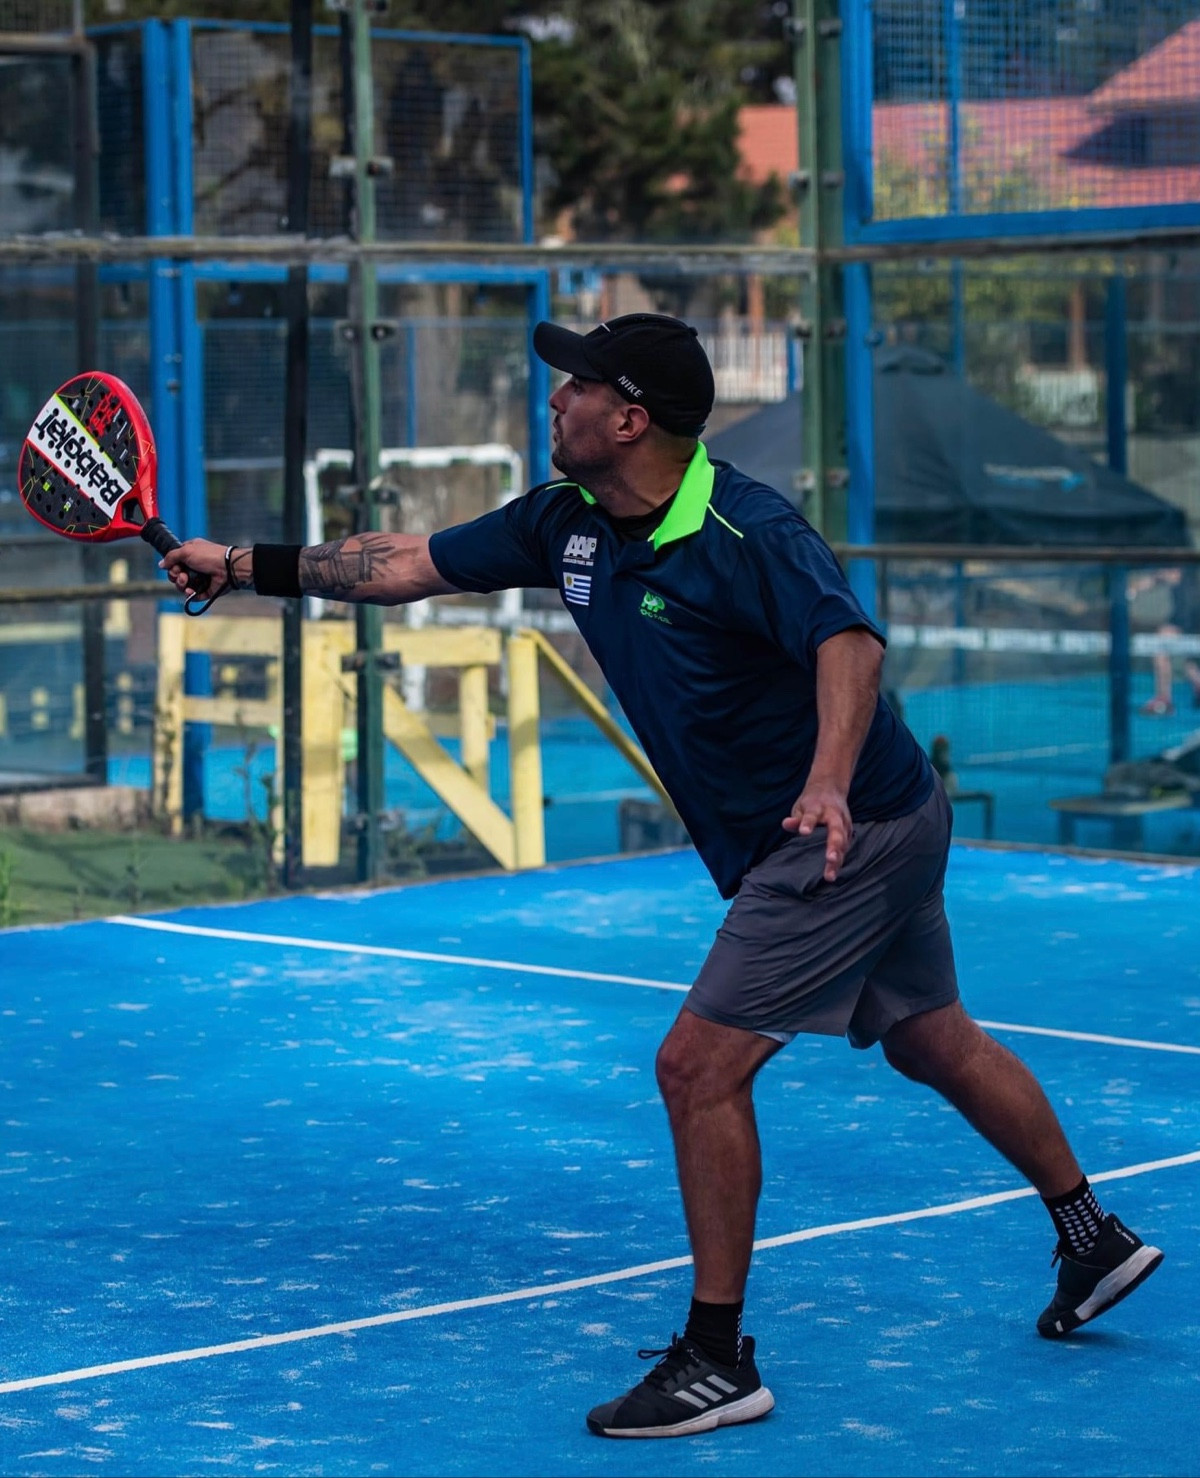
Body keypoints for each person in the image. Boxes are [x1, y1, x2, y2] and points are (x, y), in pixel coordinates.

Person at [163, 313, 1164, 1440]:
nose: (554, 400)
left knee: (696, 1069)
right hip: (878, 817)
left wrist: (826, 784)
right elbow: (405, 562)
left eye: (575, 386)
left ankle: (716, 1360)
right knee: (933, 1038)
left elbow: (849, 644)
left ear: (631, 418)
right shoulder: (565, 521)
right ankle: (1094, 1237)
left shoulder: (748, 529)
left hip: (842, 830)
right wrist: (241, 565)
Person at [1131, 564, 1200, 716]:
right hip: (1185, 616)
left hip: (1188, 616)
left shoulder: (1183, 566)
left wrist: (1153, 578)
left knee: (1161, 648)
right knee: (1184, 655)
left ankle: (1163, 700)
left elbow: (1172, 575)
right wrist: (1137, 587)